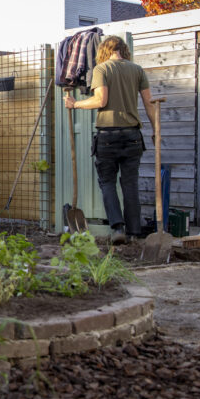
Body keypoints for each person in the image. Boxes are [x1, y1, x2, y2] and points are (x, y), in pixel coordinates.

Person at [64, 35, 156, 244]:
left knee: (107, 183)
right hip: (133, 136)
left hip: (108, 137)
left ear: (104, 51)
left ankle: (118, 228)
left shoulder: (102, 69)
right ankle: (134, 232)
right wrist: (156, 129)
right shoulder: (137, 70)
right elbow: (149, 103)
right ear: (124, 50)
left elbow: (100, 100)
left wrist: (74, 104)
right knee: (130, 183)